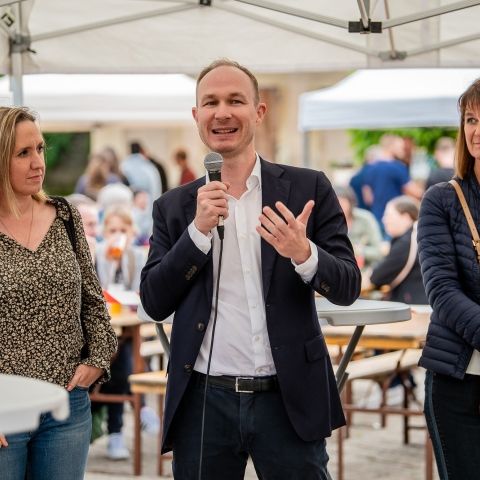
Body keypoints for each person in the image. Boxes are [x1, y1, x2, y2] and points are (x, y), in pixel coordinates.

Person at [140, 59, 361, 479]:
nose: (222, 112)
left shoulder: (308, 187)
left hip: (288, 396)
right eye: (210, 103)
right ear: (196, 116)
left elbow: (348, 285)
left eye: (235, 101)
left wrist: (304, 253)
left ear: (259, 111)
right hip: (204, 399)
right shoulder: (173, 207)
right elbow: (153, 299)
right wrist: (197, 234)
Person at [0, 106, 117, 479]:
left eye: (40, 149)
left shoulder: (64, 215)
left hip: (65, 406)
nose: (37, 163)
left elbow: (94, 302)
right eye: (23, 153)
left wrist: (97, 359)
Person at [417, 78, 480, 479]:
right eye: (471, 119)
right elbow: (442, 291)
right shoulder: (442, 199)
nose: (476, 130)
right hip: (459, 382)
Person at [94, 205, 158, 460]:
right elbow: (98, 291)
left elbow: (140, 293)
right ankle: (137, 412)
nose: (118, 235)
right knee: (120, 363)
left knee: (122, 360)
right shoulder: (97, 255)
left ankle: (118, 432)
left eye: (123, 230)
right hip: (101, 330)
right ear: (104, 232)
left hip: (127, 328)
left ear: (132, 232)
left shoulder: (137, 257)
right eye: (112, 230)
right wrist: (110, 261)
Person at [366, 195, 427, 304]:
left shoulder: (406, 242)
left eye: (388, 215)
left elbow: (377, 277)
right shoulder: (419, 236)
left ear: (406, 217)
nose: (384, 220)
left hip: (413, 305)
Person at [362, 134, 423, 235]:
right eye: (400, 147)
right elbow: (415, 192)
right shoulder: (398, 167)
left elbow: (368, 198)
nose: (403, 150)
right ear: (391, 147)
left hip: (376, 217)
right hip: (395, 218)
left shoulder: (370, 168)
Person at [334, 185, 383, 270]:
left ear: (350, 202)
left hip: (365, 271)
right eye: (335, 203)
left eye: (342, 202)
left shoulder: (365, 219)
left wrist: (359, 250)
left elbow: (378, 251)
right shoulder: (326, 222)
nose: (339, 206)